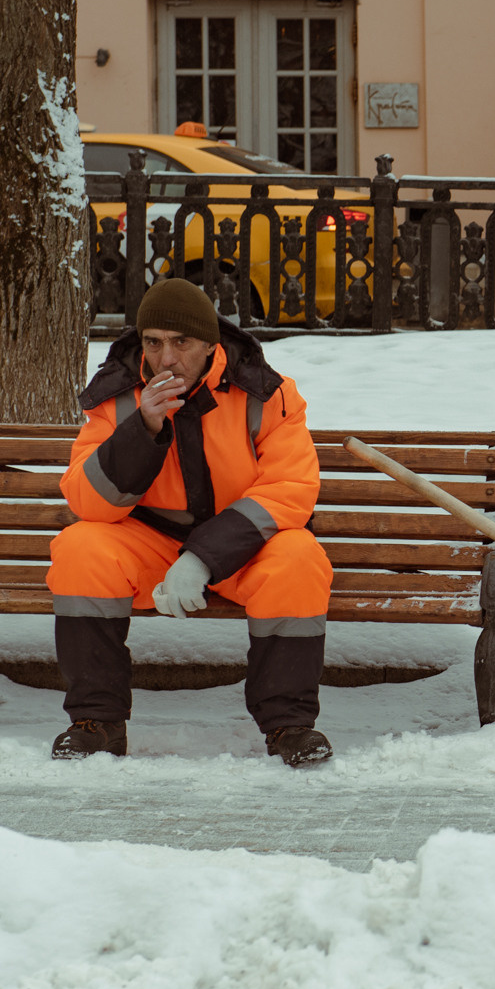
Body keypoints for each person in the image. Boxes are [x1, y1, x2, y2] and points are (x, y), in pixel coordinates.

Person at [46, 278, 336, 767]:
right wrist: (143, 429)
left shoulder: (266, 393)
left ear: (209, 345)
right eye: (154, 342)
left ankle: (290, 725)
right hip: (149, 543)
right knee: (81, 548)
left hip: (245, 548)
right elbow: (87, 502)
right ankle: (96, 723)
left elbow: (291, 490)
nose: (166, 358)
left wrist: (203, 557)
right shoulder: (116, 396)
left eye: (181, 343)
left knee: (299, 557)